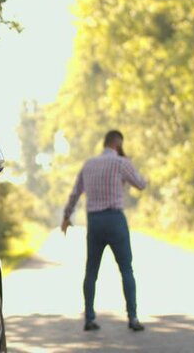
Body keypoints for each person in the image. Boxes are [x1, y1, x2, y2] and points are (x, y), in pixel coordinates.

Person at [61, 130, 147, 332]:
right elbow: (140, 184)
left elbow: (75, 193)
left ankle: (89, 319)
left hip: (95, 221)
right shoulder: (120, 162)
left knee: (91, 270)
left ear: (105, 143)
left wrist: (66, 217)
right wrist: (127, 161)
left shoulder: (88, 164)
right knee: (126, 269)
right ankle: (133, 318)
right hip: (115, 219)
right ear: (118, 145)